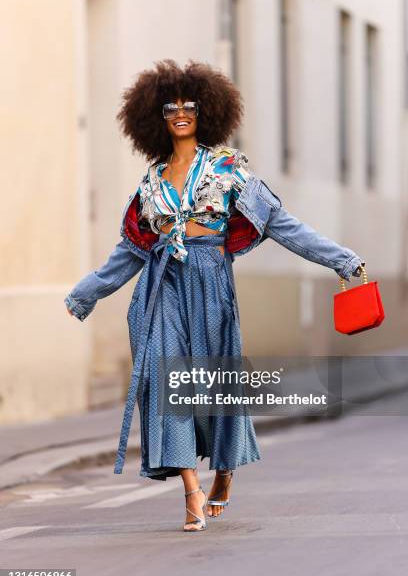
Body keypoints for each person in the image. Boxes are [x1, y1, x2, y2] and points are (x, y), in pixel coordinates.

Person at [65, 59, 364, 532]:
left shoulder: (229, 167)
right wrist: (85, 293)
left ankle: (224, 471)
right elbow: (129, 252)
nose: (180, 113)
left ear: (205, 111)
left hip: (211, 283)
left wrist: (342, 259)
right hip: (160, 289)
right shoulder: (151, 181)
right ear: (156, 117)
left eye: (189, 105)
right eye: (171, 107)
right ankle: (191, 489)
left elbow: (283, 226)